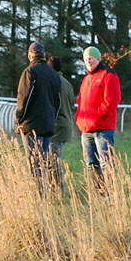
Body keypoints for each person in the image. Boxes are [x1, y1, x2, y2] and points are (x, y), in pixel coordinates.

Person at [75, 46, 121, 192]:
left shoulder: (108, 75)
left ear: (97, 58)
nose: (89, 61)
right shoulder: (86, 79)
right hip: (86, 130)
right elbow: (80, 101)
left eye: (91, 58)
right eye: (86, 59)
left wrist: (97, 116)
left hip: (103, 129)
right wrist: (79, 118)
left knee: (106, 163)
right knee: (91, 164)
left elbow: (112, 100)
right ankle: (99, 193)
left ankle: (112, 194)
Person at [15, 42, 61, 188]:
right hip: (48, 124)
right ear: (44, 55)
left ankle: (37, 194)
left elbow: (24, 97)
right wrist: (52, 119)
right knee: (43, 160)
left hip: (32, 125)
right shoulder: (53, 74)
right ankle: (44, 191)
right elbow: (57, 102)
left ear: (30, 55)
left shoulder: (30, 72)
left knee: (34, 163)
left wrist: (19, 118)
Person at [48, 56, 75, 189]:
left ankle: (57, 190)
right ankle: (55, 188)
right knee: (54, 158)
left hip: (56, 126)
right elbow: (71, 105)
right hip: (66, 125)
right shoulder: (67, 83)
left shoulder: (51, 82)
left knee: (53, 160)